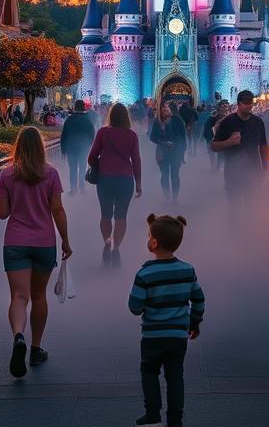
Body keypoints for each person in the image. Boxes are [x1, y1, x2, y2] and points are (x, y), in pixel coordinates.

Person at [0, 127, 72, 378]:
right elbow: (57, 210)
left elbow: (2, 213)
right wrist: (66, 241)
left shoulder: (7, 175)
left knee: (19, 296)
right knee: (39, 296)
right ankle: (36, 348)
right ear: (40, 147)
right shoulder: (51, 174)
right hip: (43, 242)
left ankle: (19, 336)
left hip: (15, 242)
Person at [129, 214, 205, 427]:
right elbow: (198, 299)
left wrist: (145, 305)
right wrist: (194, 323)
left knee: (149, 372)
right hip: (178, 336)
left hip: (153, 335)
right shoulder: (187, 270)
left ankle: (152, 412)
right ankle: (175, 419)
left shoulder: (145, 273)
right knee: (175, 376)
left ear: (153, 242)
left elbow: (134, 306)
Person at [87, 103, 142, 265]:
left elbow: (91, 158)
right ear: (126, 117)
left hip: (105, 179)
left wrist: (101, 162)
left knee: (105, 214)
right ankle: (116, 248)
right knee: (121, 216)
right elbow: (136, 161)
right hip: (125, 180)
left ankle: (107, 241)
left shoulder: (103, 133)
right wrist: (138, 183)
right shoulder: (132, 136)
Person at [211, 90, 269, 220]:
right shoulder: (228, 122)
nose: (249, 106)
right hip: (233, 171)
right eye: (246, 103)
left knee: (252, 206)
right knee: (234, 207)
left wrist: (265, 166)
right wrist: (229, 142)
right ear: (239, 104)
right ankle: (235, 234)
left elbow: (263, 145)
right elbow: (214, 146)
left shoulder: (258, 122)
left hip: (253, 170)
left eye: (251, 103)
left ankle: (249, 233)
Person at [149, 103, 186, 203]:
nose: (165, 110)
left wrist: (182, 153)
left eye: (166, 107)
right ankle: (167, 196)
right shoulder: (157, 122)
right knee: (164, 175)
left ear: (170, 109)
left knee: (175, 175)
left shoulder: (177, 120)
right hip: (163, 152)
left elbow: (183, 137)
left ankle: (175, 197)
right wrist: (163, 142)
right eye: (162, 108)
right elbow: (152, 137)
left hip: (175, 152)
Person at [60, 99, 96, 194]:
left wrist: (63, 150)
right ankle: (82, 187)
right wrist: (90, 146)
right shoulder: (87, 120)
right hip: (83, 149)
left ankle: (73, 189)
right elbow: (92, 134)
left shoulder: (69, 120)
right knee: (82, 167)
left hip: (71, 149)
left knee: (72, 169)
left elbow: (64, 135)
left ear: (75, 107)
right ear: (83, 107)